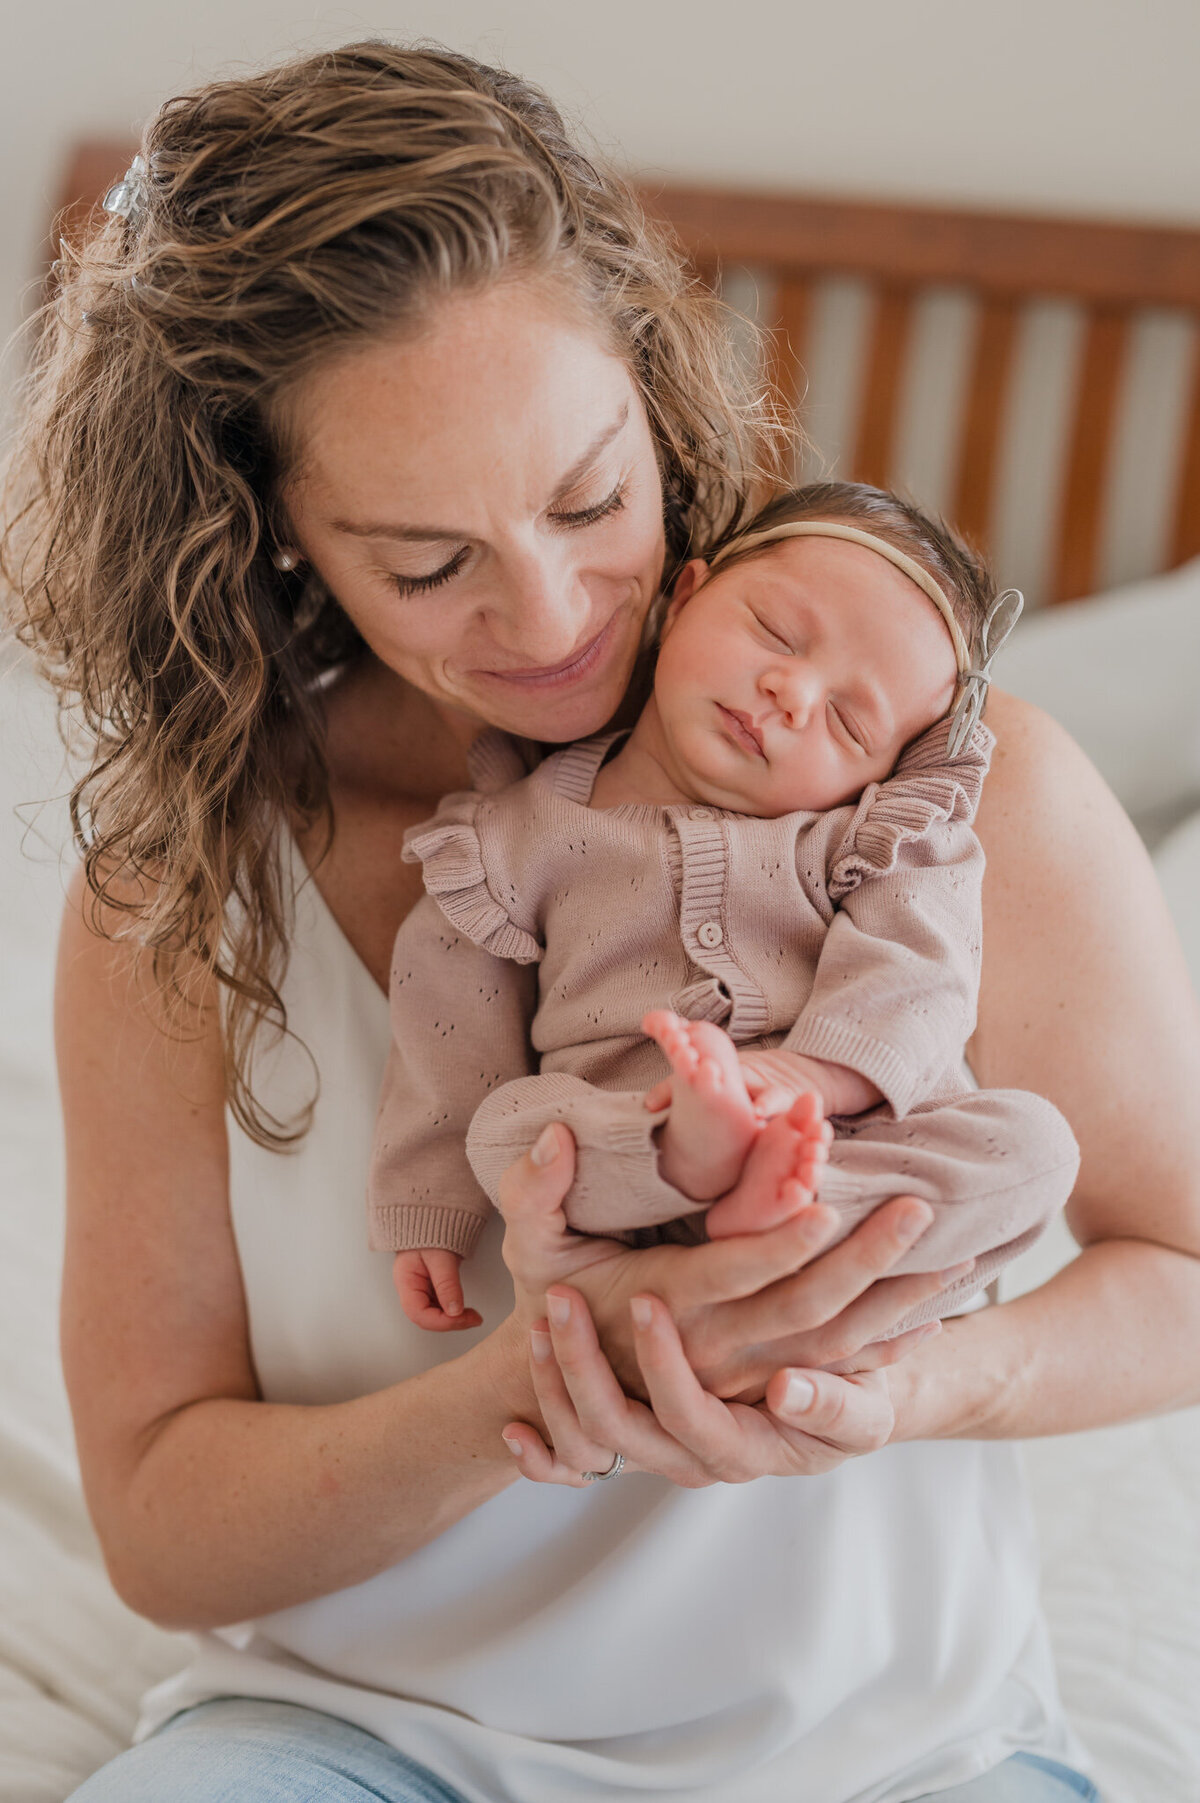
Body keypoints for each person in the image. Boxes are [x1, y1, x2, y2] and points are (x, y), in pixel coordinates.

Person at [3, 39, 1197, 1803]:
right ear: (267, 533)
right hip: (357, 1738)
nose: (553, 614)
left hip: (883, 1759)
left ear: (657, 389)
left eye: (590, 498)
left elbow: (1180, 1274)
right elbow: (166, 1524)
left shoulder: (955, 789)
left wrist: (909, 1381)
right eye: (427, 561)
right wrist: (537, 1389)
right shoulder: (182, 900)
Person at [371, 484, 1078, 1340]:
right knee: (508, 1128)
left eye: (850, 722)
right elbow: (446, 1021)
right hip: (626, 1156)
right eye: (777, 634)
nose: (790, 691)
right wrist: (426, 1205)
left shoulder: (869, 842)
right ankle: (696, 1156)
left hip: (839, 1142)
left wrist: (807, 1079)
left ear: (885, 775)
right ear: (687, 594)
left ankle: (806, 1211)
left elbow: (921, 975)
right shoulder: (516, 835)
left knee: (1036, 1143)